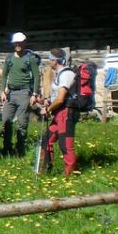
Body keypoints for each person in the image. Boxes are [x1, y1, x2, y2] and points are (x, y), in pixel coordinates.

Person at [0, 32, 41, 157]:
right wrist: (2, 91)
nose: (17, 45)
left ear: (24, 43)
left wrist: (34, 94)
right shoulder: (9, 58)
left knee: (22, 123)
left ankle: (20, 150)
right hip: (10, 92)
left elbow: (36, 77)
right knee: (6, 121)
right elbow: (4, 75)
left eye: (20, 42)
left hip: (24, 92)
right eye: (15, 43)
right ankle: (6, 148)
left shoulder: (30, 58)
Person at [45, 49, 79, 177]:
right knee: (46, 140)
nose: (49, 62)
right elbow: (56, 97)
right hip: (59, 113)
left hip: (66, 112)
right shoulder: (59, 74)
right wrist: (49, 102)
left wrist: (48, 109)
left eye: (50, 59)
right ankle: (46, 169)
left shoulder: (66, 74)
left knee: (65, 144)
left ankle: (69, 176)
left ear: (55, 60)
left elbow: (60, 99)